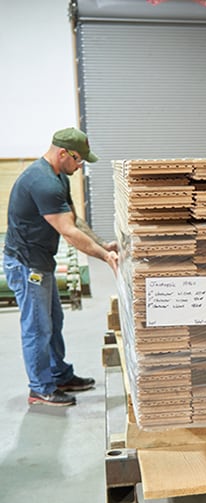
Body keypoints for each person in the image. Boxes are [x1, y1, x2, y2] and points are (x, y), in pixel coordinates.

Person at [3, 127, 119, 408]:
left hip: (41, 261)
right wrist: (104, 258)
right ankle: (40, 389)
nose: (80, 167)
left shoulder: (58, 177)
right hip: (27, 265)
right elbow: (68, 232)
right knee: (38, 328)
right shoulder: (42, 182)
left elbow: (75, 221)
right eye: (79, 160)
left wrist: (104, 244)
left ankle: (59, 375)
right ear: (63, 153)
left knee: (54, 322)